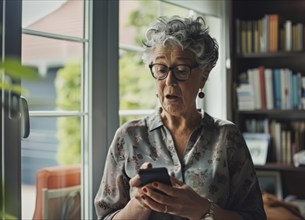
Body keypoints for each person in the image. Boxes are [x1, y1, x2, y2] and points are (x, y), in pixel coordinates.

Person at [94, 15, 266, 220]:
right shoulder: (128, 137)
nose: (169, 81)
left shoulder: (227, 137)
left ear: (203, 76)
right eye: (160, 69)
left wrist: (203, 210)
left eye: (181, 70)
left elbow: (255, 217)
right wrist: (139, 204)